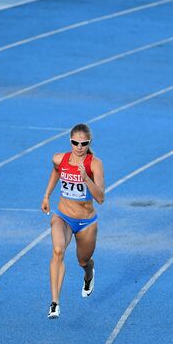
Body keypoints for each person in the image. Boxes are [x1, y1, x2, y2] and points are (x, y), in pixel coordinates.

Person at [41, 123, 105, 319]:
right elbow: (56, 171)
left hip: (86, 222)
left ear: (88, 143)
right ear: (70, 141)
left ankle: (89, 274)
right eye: (75, 142)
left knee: (83, 261)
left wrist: (86, 178)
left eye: (83, 143)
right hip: (63, 216)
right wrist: (46, 195)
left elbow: (101, 198)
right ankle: (54, 303)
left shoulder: (94, 164)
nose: (79, 147)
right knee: (58, 251)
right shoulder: (59, 158)